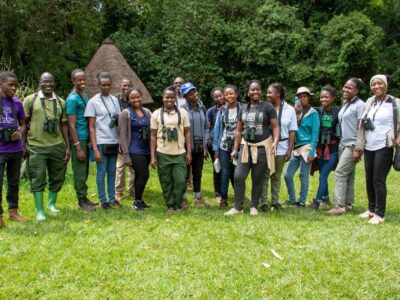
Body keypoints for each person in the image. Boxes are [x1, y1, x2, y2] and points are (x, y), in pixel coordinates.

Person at [225, 80, 279, 216]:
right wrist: (235, 149)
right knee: (238, 176)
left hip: (262, 148)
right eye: (252, 90)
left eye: (258, 89)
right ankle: (238, 207)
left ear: (260, 91)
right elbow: (238, 131)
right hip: (246, 147)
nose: (255, 92)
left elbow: (275, 126)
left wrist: (275, 141)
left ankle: (254, 206)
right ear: (248, 92)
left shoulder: (268, 107)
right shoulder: (242, 108)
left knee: (257, 178)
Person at [353, 75, 400, 224]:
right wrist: (359, 146)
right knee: (369, 179)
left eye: (380, 83)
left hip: (384, 146)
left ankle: (380, 214)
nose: (376, 87)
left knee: (378, 180)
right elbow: (362, 124)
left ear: (385, 86)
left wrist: (398, 138)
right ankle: (371, 209)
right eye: (373, 84)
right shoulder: (370, 102)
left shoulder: (395, 103)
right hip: (369, 145)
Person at [23, 72, 70, 221]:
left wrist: (68, 147)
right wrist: (23, 145)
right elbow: (23, 124)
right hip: (36, 146)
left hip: (56, 145)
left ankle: (51, 204)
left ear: (54, 83)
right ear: (39, 83)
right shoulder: (30, 100)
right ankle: (39, 211)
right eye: (45, 82)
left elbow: (64, 126)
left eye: (50, 82)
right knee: (38, 177)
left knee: (57, 176)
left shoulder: (61, 102)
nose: (48, 84)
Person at [150, 86, 191, 214]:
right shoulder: (156, 114)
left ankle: (178, 203)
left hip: (179, 152)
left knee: (180, 181)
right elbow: (152, 135)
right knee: (165, 181)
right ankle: (170, 205)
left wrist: (189, 152)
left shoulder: (183, 112)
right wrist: (153, 156)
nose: (169, 99)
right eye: (167, 97)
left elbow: (187, 133)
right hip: (163, 152)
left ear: (176, 99)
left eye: (172, 97)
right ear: (163, 98)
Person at [327, 78, 365, 216]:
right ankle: (348, 203)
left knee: (340, 172)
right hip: (343, 143)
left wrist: (358, 148)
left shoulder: (360, 105)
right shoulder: (346, 103)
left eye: (350, 88)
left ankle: (339, 206)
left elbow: (362, 127)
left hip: (352, 144)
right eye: (345, 87)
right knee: (349, 174)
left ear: (357, 90)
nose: (346, 90)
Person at [85, 72, 121, 209]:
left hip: (113, 141)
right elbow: (92, 127)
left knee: (112, 171)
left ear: (111, 84)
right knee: (102, 172)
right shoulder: (93, 102)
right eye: (103, 85)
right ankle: (103, 200)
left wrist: (120, 141)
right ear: (99, 85)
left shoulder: (114, 100)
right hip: (100, 141)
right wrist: (94, 149)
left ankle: (112, 198)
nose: (106, 87)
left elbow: (117, 121)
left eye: (108, 84)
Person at [260, 83, 297, 212]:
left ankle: (274, 202)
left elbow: (292, 131)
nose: (267, 95)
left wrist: (289, 149)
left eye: (270, 92)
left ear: (278, 94)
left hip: (282, 146)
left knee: (276, 175)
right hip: (266, 145)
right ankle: (263, 202)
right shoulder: (264, 107)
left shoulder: (289, 109)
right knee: (264, 174)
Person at [66, 69, 98, 211]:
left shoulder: (84, 96)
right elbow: (71, 125)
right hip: (78, 139)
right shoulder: (72, 99)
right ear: (73, 81)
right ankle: (81, 201)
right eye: (79, 80)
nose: (82, 82)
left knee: (84, 170)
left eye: (84, 79)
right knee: (79, 171)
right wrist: (78, 147)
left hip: (86, 137)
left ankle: (84, 197)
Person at [284, 87, 320, 207]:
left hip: (307, 147)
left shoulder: (313, 113)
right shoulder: (295, 112)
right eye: (300, 97)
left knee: (303, 175)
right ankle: (292, 199)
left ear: (309, 97)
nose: (302, 99)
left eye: (304, 96)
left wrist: (312, 152)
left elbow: (315, 133)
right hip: (296, 148)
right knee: (287, 175)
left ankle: (302, 201)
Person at [118, 88, 152, 211]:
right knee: (144, 174)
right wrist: (126, 155)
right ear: (128, 99)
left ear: (141, 97)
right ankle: (136, 201)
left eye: (138, 97)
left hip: (146, 149)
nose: (136, 99)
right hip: (134, 149)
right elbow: (122, 136)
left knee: (139, 175)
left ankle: (139, 200)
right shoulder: (125, 113)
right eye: (132, 98)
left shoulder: (147, 112)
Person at [0, 72, 26, 228]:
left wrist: (20, 133)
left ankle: (13, 211)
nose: (14, 88)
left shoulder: (17, 103)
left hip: (15, 148)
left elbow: (23, 123)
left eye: (15, 85)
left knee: (14, 182)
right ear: (1, 84)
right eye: (10, 84)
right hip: (1, 149)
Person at [309, 86, 340, 209]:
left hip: (332, 149)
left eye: (326, 97)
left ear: (333, 98)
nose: (323, 99)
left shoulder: (338, 111)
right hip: (320, 148)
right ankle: (326, 198)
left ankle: (316, 202)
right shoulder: (316, 111)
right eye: (321, 97)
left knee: (323, 175)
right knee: (322, 173)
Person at [181, 82, 210, 208]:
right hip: (185, 147)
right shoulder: (181, 110)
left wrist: (204, 145)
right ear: (185, 96)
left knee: (197, 173)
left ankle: (198, 197)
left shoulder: (202, 108)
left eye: (194, 92)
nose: (194, 95)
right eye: (190, 93)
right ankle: (183, 198)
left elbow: (206, 127)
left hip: (199, 147)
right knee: (184, 174)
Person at [213, 85, 240, 208]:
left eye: (231, 93)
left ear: (236, 94)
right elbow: (218, 129)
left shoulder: (243, 109)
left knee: (238, 172)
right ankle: (223, 198)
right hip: (224, 146)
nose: (229, 96)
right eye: (227, 94)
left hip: (239, 147)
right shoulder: (222, 110)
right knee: (225, 172)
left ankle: (239, 196)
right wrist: (216, 148)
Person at [115, 78, 135, 201]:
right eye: (124, 85)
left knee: (133, 166)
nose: (126, 87)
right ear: (120, 86)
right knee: (120, 165)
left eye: (128, 85)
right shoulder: (115, 100)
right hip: (120, 137)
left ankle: (132, 189)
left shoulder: (133, 99)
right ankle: (118, 190)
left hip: (132, 137)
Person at [207, 87, 224, 203]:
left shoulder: (232, 108)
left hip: (228, 142)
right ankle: (218, 193)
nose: (218, 98)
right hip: (214, 143)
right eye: (216, 97)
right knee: (217, 167)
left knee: (233, 168)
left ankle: (238, 192)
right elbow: (208, 128)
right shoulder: (211, 111)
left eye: (220, 95)